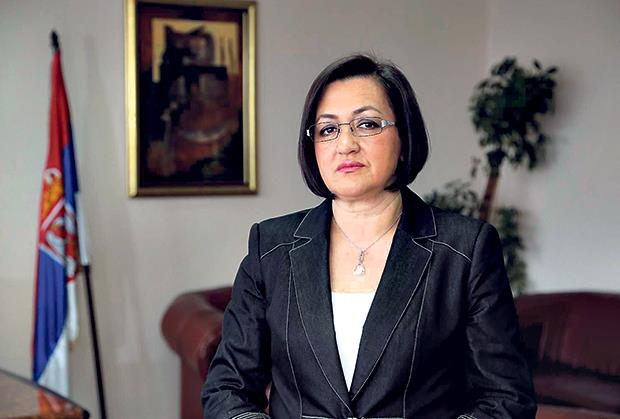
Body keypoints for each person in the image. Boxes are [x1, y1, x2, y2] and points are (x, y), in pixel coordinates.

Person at [202, 54, 536, 419]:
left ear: (404, 137)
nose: (345, 144)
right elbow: (227, 389)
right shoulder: (271, 247)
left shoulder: (465, 249)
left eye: (367, 124)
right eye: (328, 129)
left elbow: (506, 398)